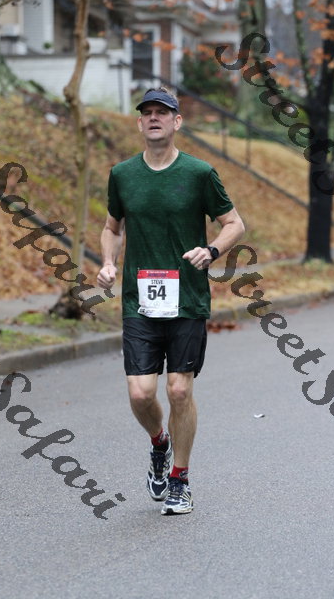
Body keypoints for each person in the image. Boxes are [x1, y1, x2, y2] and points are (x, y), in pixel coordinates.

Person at [97, 87, 245, 515]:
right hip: (140, 300)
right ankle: (159, 442)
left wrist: (212, 250)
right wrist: (108, 262)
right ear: (139, 123)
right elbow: (111, 227)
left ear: (177, 121)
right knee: (141, 394)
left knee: (179, 389)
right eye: (147, 112)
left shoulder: (199, 173)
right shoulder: (123, 174)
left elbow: (234, 223)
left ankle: (180, 479)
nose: (154, 117)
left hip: (187, 298)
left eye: (162, 112)